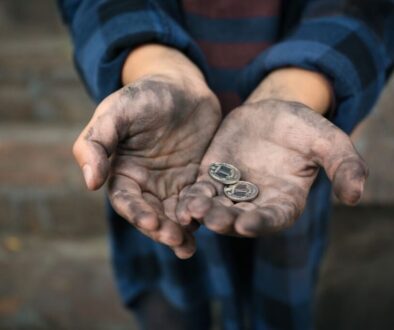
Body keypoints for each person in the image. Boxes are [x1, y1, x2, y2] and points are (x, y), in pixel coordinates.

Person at [58, 1, 394, 329]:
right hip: (159, 160)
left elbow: (369, 7)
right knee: (173, 296)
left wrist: (302, 87)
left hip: (289, 160)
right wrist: (154, 64)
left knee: (281, 295)